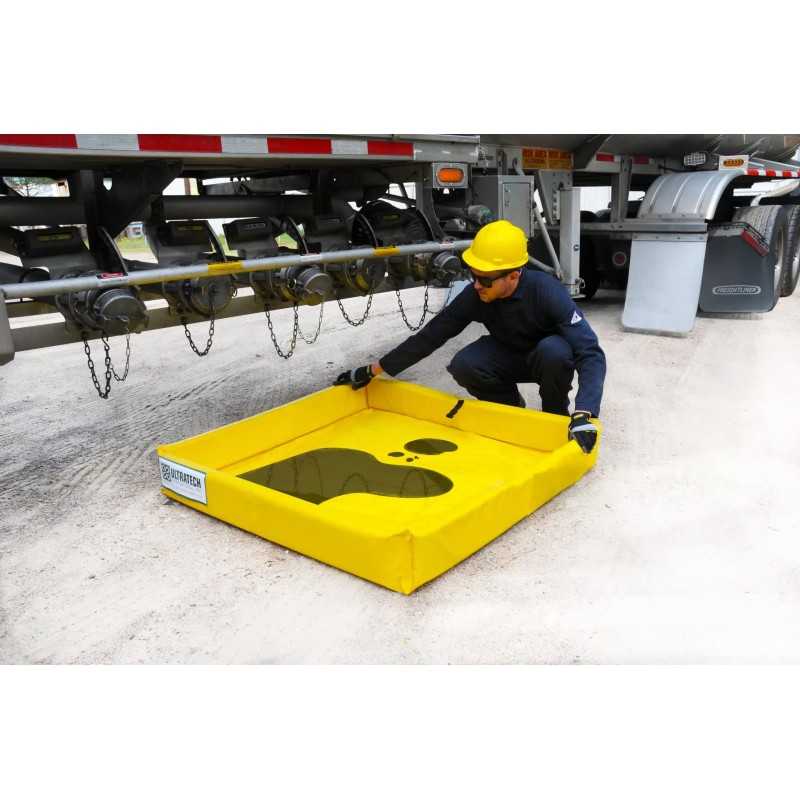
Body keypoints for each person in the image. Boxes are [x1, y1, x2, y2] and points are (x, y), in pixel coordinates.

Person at [335, 220, 606, 454]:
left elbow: (590, 352)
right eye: (473, 275)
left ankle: (555, 418)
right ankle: (510, 412)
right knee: (465, 364)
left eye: (485, 279)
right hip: (510, 355)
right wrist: (374, 369)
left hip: (546, 359)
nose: (477, 284)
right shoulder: (477, 294)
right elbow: (432, 335)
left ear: (513, 276)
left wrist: (585, 414)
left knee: (554, 351)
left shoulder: (547, 292)